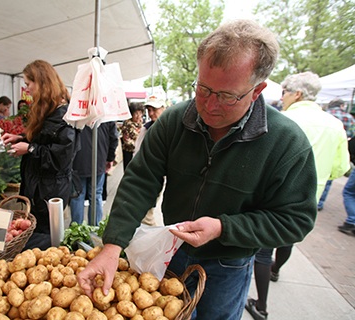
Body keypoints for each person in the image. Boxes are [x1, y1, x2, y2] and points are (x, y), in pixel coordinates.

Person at [77, 19, 318, 320]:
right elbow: (140, 180)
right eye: (203, 88)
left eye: (227, 96)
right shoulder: (174, 121)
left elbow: (295, 220)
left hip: (229, 265)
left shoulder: (287, 143)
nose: (209, 105)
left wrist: (223, 228)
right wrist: (113, 245)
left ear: (257, 91)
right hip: (172, 251)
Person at [246, 72, 350, 320]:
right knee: (288, 238)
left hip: (272, 198)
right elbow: (341, 168)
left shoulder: (280, 121)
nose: (281, 97)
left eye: (284, 92)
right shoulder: (335, 125)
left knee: (262, 251)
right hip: (309, 197)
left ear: (298, 94)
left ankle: (261, 305)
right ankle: (276, 270)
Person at [1, 60, 79, 250]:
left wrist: (28, 149)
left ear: (42, 82)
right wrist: (20, 137)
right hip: (39, 185)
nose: (26, 89)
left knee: (46, 237)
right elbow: (42, 138)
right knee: (37, 231)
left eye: (28, 84)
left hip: (49, 189)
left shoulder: (65, 115)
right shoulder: (49, 109)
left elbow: (61, 156)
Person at [70, 122, 118, 226]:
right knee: (96, 195)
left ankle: (75, 231)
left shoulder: (76, 108)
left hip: (78, 159)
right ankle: (94, 229)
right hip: (99, 159)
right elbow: (113, 137)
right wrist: (110, 158)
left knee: (77, 196)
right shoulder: (105, 111)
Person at [133, 96, 167, 226]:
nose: (151, 113)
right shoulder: (147, 128)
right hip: (150, 177)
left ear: (163, 108)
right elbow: (137, 153)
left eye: (154, 109)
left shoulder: (173, 127)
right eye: (148, 109)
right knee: (146, 214)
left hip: (168, 178)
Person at [318, 98, 355, 210]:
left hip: (322, 147)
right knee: (327, 179)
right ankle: (320, 202)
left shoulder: (324, 115)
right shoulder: (349, 118)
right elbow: (351, 135)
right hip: (336, 151)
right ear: (342, 106)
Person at [120, 102, 144, 170]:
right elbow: (126, 139)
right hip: (129, 151)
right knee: (129, 170)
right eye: (136, 113)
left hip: (140, 153)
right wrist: (138, 145)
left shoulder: (142, 122)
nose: (138, 116)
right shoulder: (127, 123)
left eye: (140, 113)